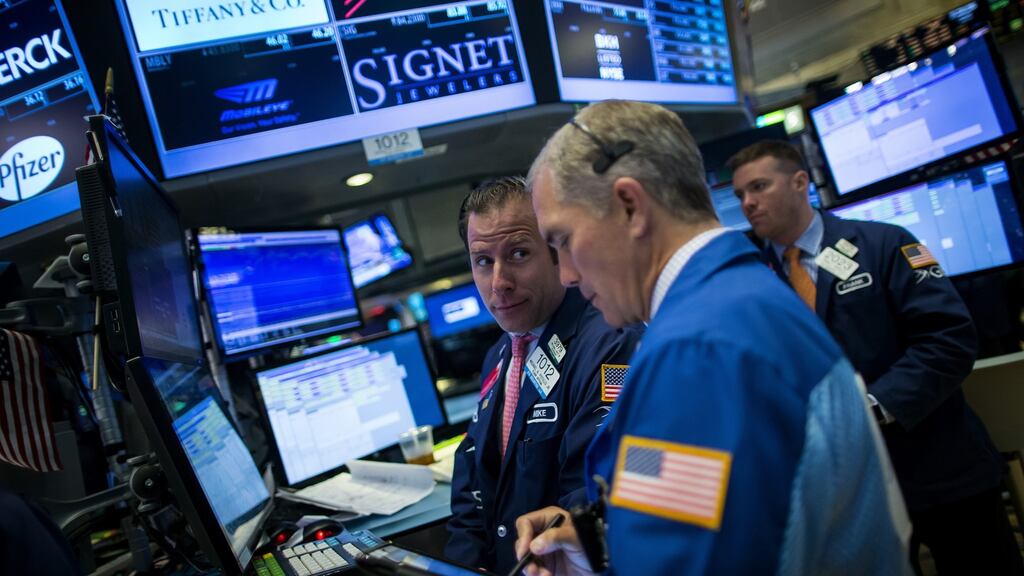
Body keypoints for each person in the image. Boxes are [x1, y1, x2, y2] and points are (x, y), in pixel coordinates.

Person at [515, 100, 911, 575]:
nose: (567, 274)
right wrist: (605, 540)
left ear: (629, 206)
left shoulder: (698, 351)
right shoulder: (742, 298)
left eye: (562, 240)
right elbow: (741, 502)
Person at [727, 140, 1021, 575]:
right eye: (740, 196)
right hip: (846, 496)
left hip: (940, 470)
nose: (748, 203)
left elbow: (949, 339)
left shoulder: (883, 245)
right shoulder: (752, 282)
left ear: (800, 182)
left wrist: (871, 408)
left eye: (759, 187)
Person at [446, 176, 643, 573]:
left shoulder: (608, 343)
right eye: (483, 261)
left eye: (518, 254)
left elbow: (588, 493)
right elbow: (471, 484)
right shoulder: (498, 357)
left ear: (555, 251)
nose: (498, 283)